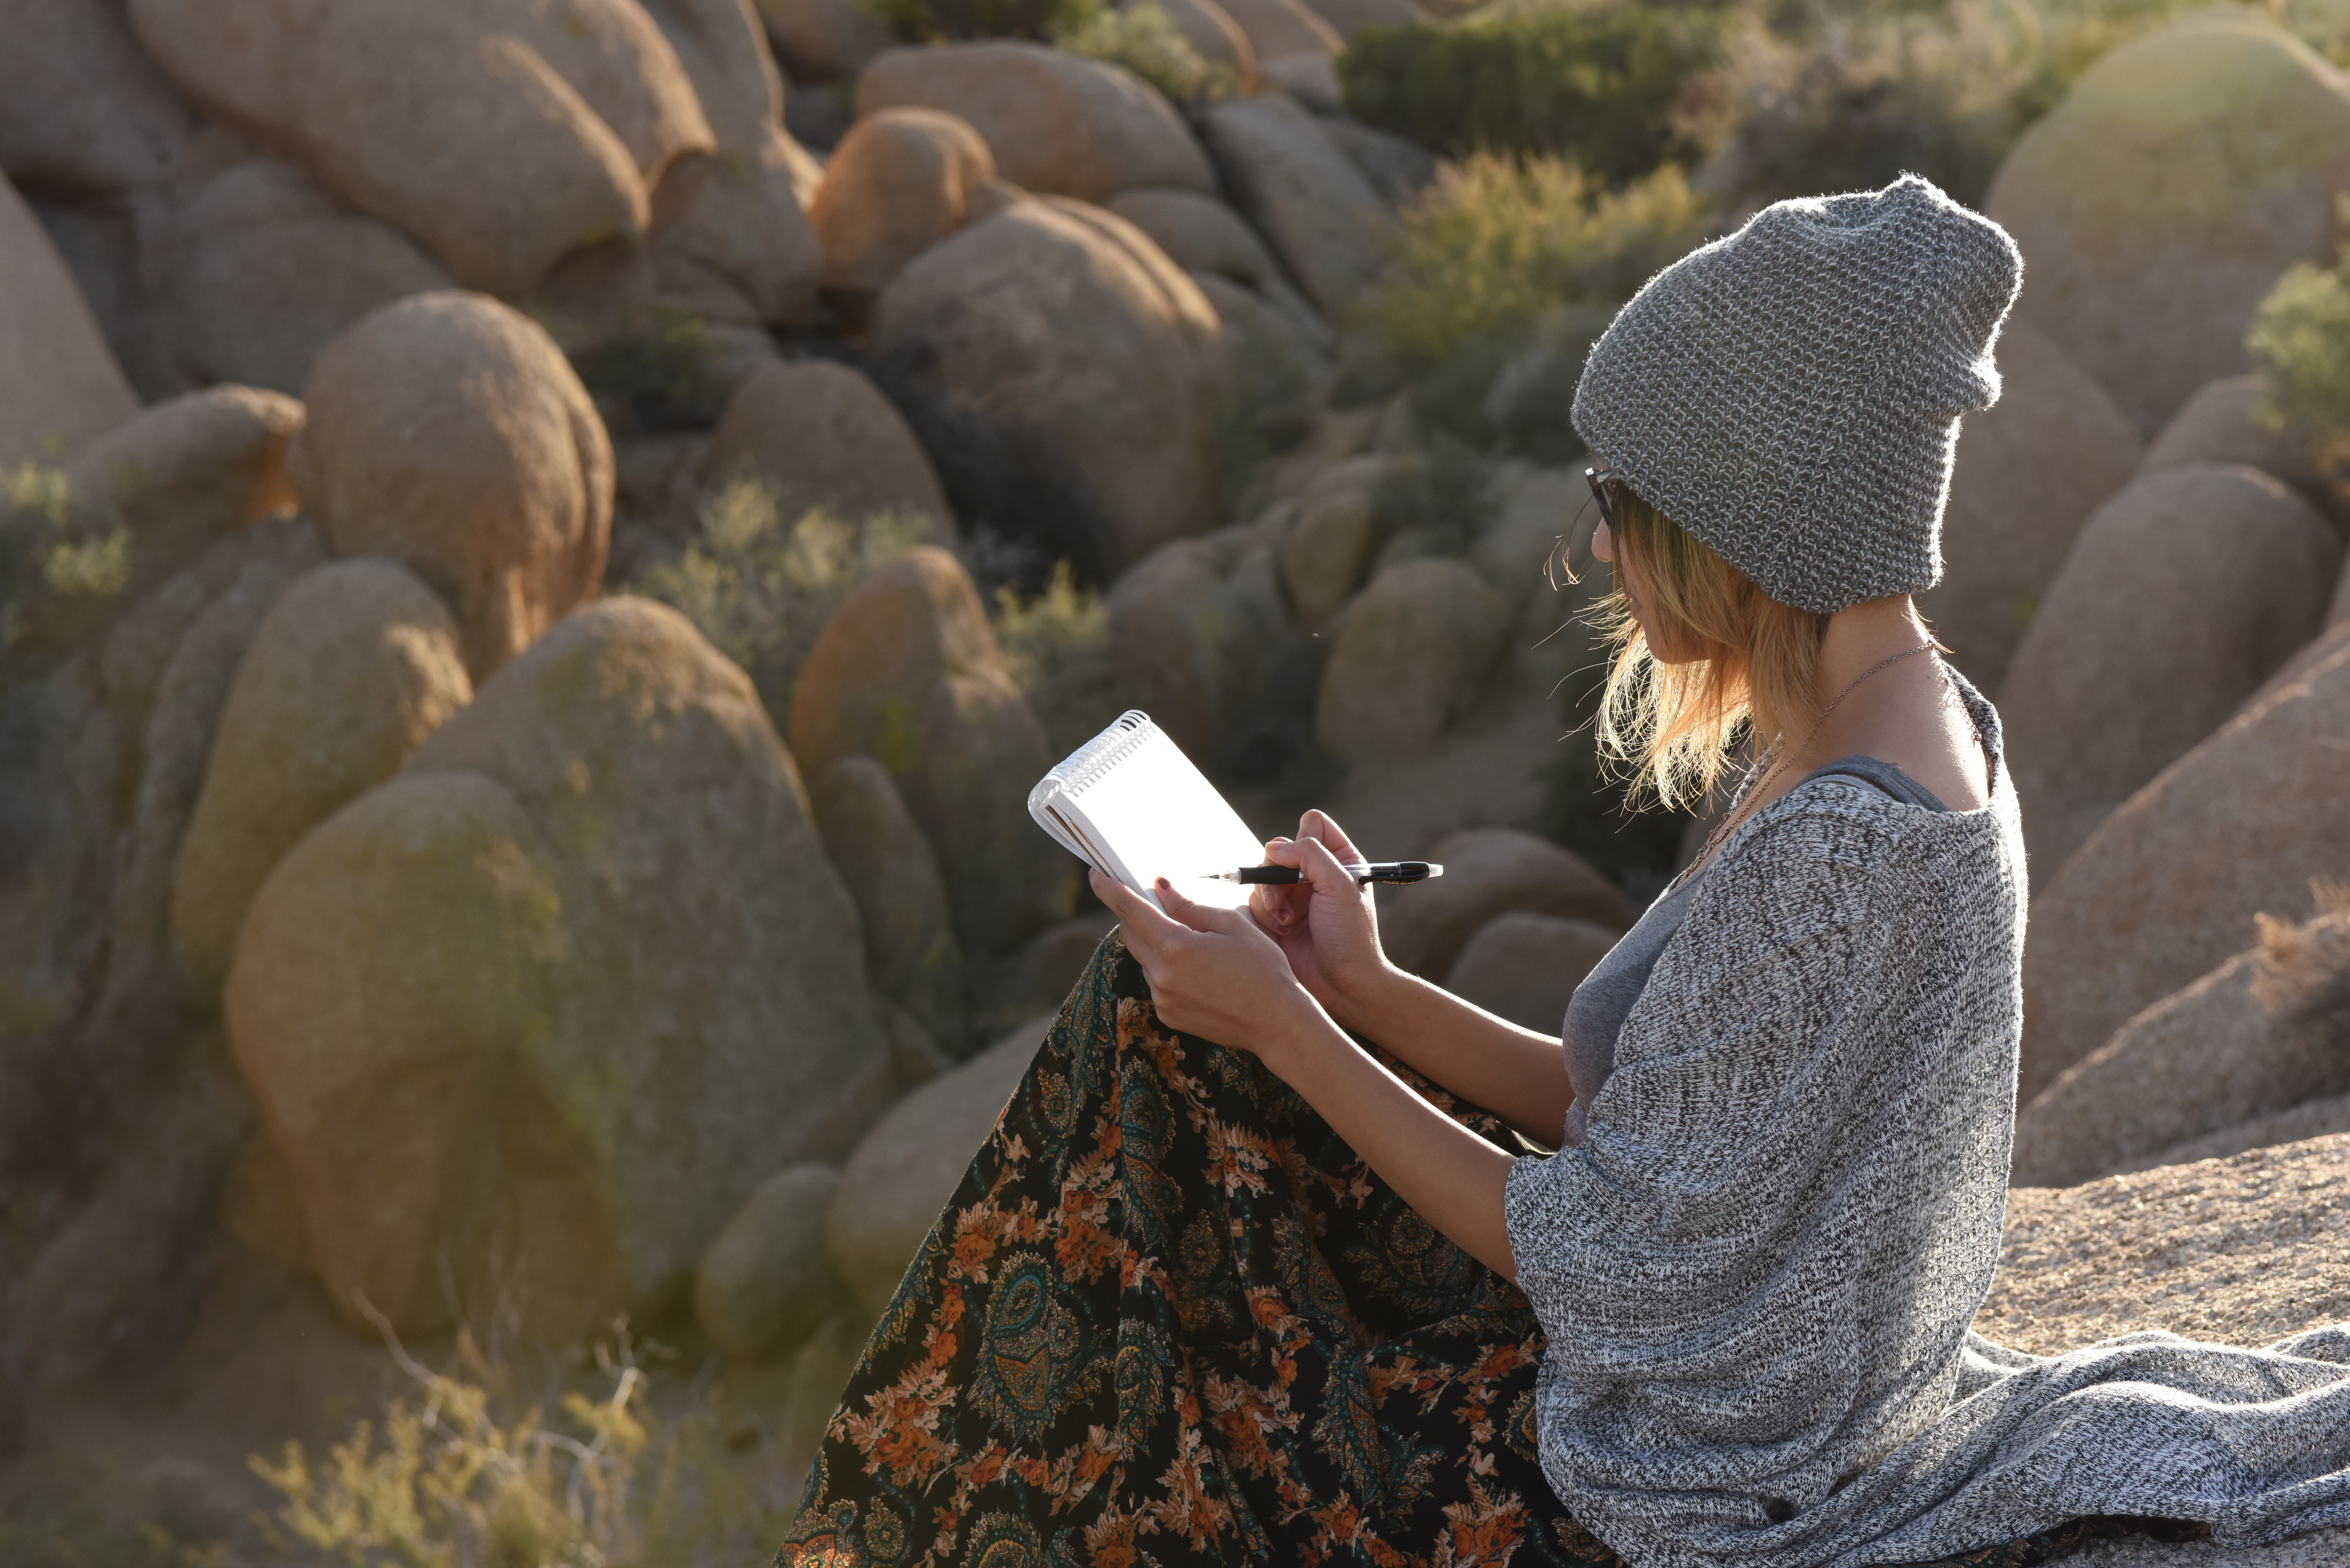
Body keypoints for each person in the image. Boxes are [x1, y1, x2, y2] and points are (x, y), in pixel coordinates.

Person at [779, 176, 2350, 1568]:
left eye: (1622, 504)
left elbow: (1610, 1251)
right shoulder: (1896, 727)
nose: (1599, 549)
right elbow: (1654, 1129)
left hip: (1703, 1487)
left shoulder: (1850, 840)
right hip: (1713, 1395)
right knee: (1170, 1046)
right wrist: (1367, 990)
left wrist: (1288, 1027)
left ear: (1749, 509)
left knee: (1168, 1083)